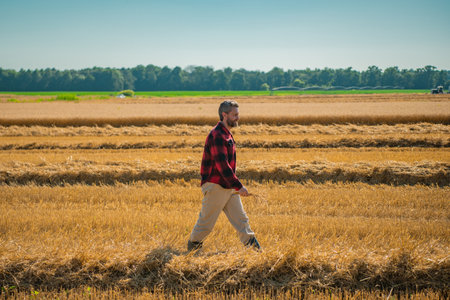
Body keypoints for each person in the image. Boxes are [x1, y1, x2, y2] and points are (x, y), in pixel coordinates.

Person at [187, 100, 260, 252]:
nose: (237, 118)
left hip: (227, 185)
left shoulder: (226, 134)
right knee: (206, 224)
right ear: (224, 114)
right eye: (234, 115)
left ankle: (257, 254)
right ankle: (192, 252)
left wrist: (234, 186)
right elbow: (222, 165)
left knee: (242, 221)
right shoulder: (217, 135)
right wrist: (238, 186)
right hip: (216, 185)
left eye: (238, 114)